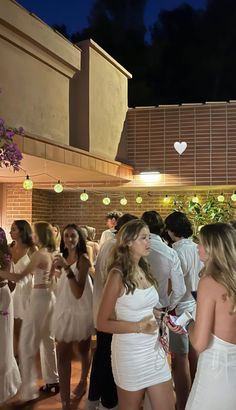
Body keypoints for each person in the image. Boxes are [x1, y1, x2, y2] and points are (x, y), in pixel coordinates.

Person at [97, 219, 175, 410]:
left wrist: (158, 314)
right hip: (130, 354)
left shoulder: (144, 268)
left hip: (154, 350)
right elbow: (101, 323)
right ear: (129, 242)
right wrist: (139, 327)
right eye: (143, 238)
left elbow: (143, 306)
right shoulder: (117, 275)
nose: (148, 242)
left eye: (149, 237)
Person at [166, 223, 236, 410]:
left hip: (215, 373)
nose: (197, 246)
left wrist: (187, 323)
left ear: (214, 248)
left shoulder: (209, 282)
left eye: (202, 242)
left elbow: (200, 343)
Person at [0, 222, 59, 403]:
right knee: (46, 341)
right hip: (47, 297)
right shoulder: (49, 253)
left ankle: (29, 390)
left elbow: (19, 277)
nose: (31, 235)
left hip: (40, 298)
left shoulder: (39, 253)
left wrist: (1, 273)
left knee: (27, 344)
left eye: (33, 232)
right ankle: (52, 380)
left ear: (39, 235)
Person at [86, 214, 137, 410]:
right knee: (108, 360)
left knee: (103, 358)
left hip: (104, 309)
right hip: (111, 314)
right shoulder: (115, 248)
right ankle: (108, 401)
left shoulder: (110, 245)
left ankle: (95, 399)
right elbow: (113, 283)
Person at [52, 224, 94, 410]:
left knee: (83, 350)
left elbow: (78, 292)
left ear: (79, 238)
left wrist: (66, 269)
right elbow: (59, 286)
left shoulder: (83, 259)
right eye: (66, 236)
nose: (69, 239)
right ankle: (65, 402)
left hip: (80, 308)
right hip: (63, 308)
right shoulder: (62, 256)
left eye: (73, 236)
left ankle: (83, 380)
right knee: (62, 354)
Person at [164, 211, 203, 410]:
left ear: (171, 230)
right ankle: (196, 398)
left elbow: (176, 287)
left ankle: (183, 402)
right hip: (197, 306)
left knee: (179, 359)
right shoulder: (198, 248)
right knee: (195, 356)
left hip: (180, 309)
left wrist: (168, 307)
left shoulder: (176, 252)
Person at [141, 211, 186, 311]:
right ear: (162, 228)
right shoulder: (170, 253)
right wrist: (170, 305)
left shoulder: (134, 249)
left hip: (137, 307)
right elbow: (180, 289)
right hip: (160, 306)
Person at [0, 228, 21, 405]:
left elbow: (12, 282)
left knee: (4, 338)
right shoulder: (6, 252)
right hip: (4, 292)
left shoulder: (6, 254)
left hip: (2, 295)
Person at [9, 220, 36, 355]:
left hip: (26, 291)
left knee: (23, 330)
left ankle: (24, 359)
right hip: (12, 291)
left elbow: (39, 272)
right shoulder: (10, 247)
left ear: (22, 231)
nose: (10, 231)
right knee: (12, 329)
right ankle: (15, 358)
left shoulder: (31, 249)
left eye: (13, 229)